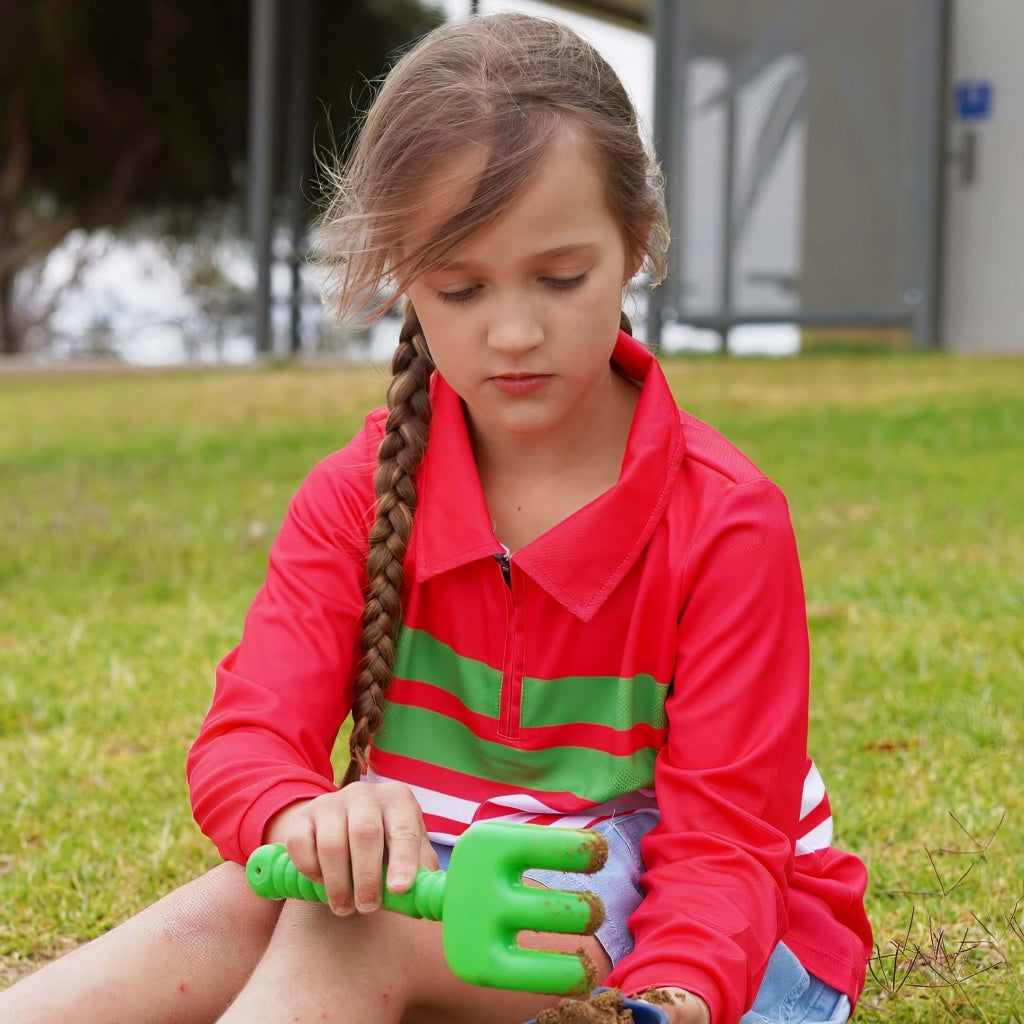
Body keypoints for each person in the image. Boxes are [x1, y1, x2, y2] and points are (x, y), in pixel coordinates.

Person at [0, 13, 872, 1024]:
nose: (514, 331)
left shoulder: (726, 521)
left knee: (348, 933)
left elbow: (722, 850)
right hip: (450, 888)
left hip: (709, 950)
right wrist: (305, 817)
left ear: (635, 241)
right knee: (249, 902)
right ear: (403, 275)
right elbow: (248, 738)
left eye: (560, 278)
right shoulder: (359, 495)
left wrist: (667, 1000)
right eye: (460, 288)